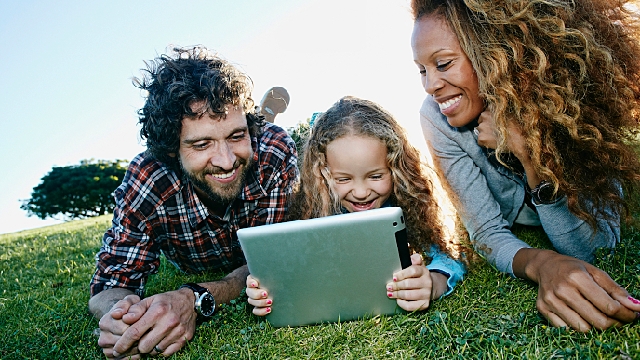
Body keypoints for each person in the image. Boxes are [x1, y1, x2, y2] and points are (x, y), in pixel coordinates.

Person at [410, 0, 640, 332]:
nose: (430, 85)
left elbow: (595, 246)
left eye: (443, 64)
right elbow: (488, 233)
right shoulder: (435, 116)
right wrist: (543, 263)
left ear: (493, 53)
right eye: (422, 69)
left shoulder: (562, 100)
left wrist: (528, 154)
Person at [88, 46, 298, 359]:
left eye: (236, 135)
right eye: (202, 144)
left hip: (249, 246)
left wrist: (194, 297)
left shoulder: (272, 151)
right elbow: (108, 284)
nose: (226, 161)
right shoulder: (149, 178)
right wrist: (127, 317)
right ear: (172, 149)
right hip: (195, 261)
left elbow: (275, 261)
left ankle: (261, 116)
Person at [246, 96, 466, 316]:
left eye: (376, 176)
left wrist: (433, 283)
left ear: (396, 170)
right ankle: (266, 116)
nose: (361, 193)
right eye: (343, 179)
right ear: (323, 175)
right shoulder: (313, 213)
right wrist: (264, 292)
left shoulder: (405, 206)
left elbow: (449, 255)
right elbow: (285, 270)